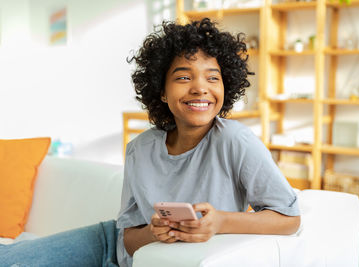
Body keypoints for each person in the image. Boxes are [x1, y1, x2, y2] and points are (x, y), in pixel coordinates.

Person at [0, 18, 300, 267]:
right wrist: (154, 233)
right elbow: (128, 239)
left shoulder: (235, 140)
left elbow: (289, 219)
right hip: (109, 244)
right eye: (183, 78)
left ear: (226, 86)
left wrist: (220, 221)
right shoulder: (140, 148)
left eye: (213, 78)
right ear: (161, 90)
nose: (200, 88)